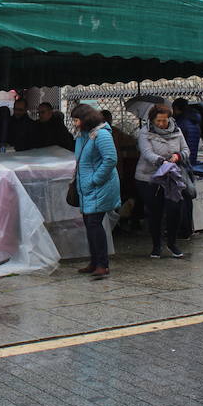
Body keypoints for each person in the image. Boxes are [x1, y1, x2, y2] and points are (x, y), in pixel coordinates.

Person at [70, 104, 120, 279]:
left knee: (94, 224)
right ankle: (95, 261)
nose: (75, 123)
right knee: (90, 224)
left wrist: (95, 180)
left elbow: (110, 159)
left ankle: (102, 265)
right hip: (87, 187)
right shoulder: (83, 135)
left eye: (77, 119)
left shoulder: (102, 135)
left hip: (99, 187)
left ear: (86, 119)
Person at [135, 104, 190, 259]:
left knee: (174, 210)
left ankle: (172, 243)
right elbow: (146, 153)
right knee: (155, 212)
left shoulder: (177, 131)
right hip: (149, 177)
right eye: (158, 121)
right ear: (152, 120)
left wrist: (177, 156)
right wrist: (161, 161)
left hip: (172, 177)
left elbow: (186, 150)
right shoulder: (145, 132)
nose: (161, 124)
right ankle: (156, 245)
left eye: (164, 120)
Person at [172, 98, 202, 239]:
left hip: (181, 163)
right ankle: (188, 228)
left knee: (181, 198)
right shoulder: (195, 123)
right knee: (188, 197)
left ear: (177, 108)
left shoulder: (181, 125)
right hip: (191, 163)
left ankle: (183, 229)